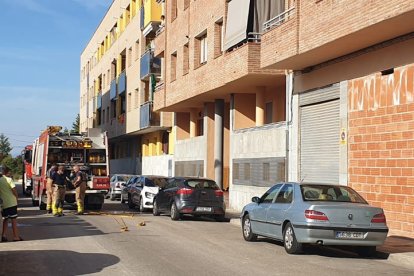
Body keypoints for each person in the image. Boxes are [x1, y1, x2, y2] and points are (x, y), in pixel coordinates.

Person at [0, 167, 22, 242]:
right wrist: (17, 197)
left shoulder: (0, 180)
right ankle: (16, 236)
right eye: (9, 172)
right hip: (12, 202)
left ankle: (3, 235)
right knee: (14, 220)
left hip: (4, 203)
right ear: (6, 172)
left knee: (5, 219)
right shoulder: (9, 180)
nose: (10, 174)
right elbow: (14, 190)